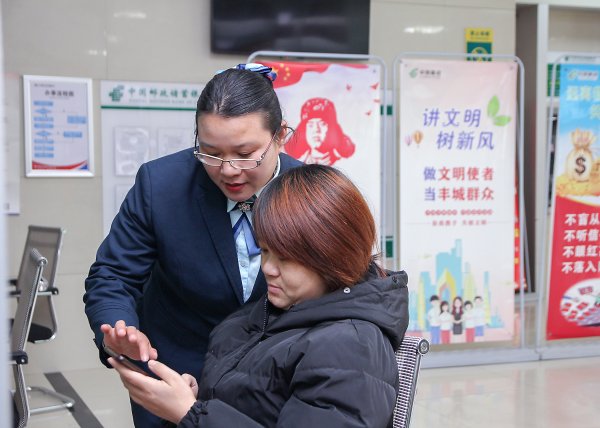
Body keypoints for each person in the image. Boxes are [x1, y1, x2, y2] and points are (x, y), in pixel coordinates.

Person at [83, 63, 302, 427]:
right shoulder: (161, 185)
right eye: (211, 152)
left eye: (245, 153)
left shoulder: (314, 193)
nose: (228, 170)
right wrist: (119, 331)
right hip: (177, 379)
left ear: (280, 135)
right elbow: (113, 275)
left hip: (277, 386)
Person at [108, 164, 409, 427]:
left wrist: (190, 414)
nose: (268, 269)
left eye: (285, 259)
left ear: (333, 254)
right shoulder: (277, 310)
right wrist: (193, 401)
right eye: (264, 251)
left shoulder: (350, 349)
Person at [284, 97, 356, 165]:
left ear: (331, 128)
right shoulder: (297, 164)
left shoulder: (343, 163)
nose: (316, 130)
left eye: (322, 124)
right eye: (311, 125)